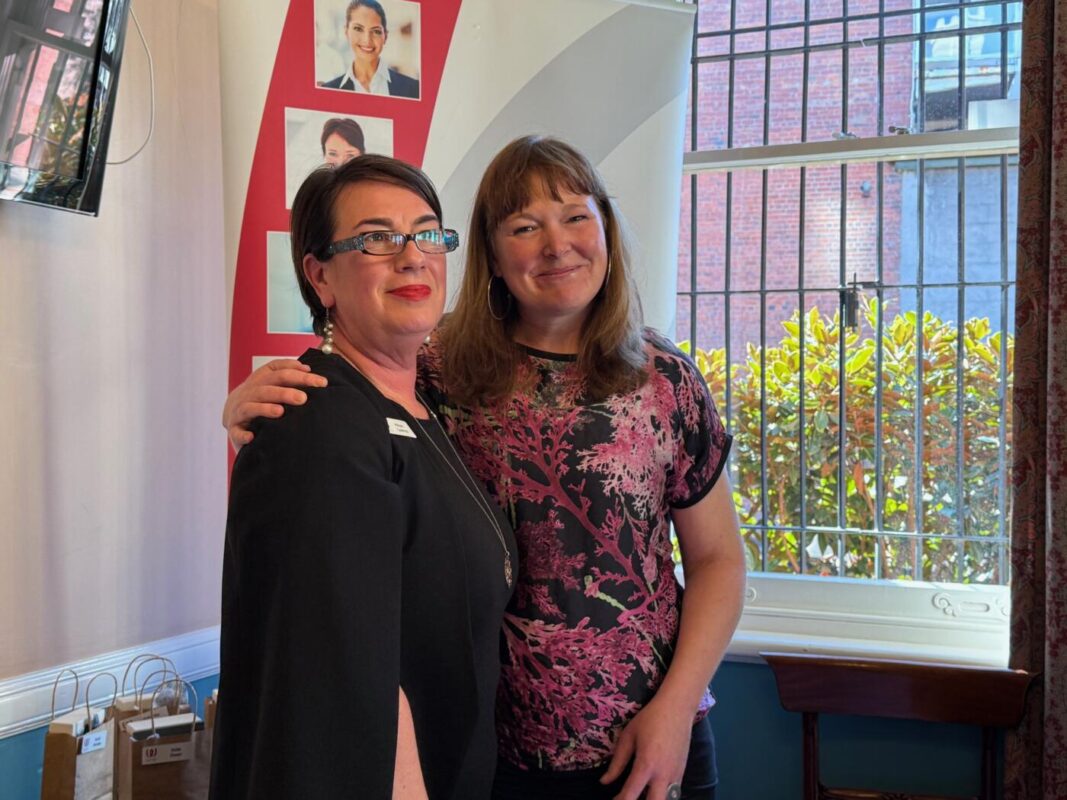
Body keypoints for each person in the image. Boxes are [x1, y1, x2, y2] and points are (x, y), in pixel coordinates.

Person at [224, 136, 746, 800]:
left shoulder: (664, 380)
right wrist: (244, 406)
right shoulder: (436, 364)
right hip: (494, 754)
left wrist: (676, 708)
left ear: (606, 232)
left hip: (652, 742)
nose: (557, 245)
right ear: (491, 255)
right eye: (525, 227)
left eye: (576, 217)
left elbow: (717, 560)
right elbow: (347, 397)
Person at [210, 155, 515, 799]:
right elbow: (342, 680)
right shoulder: (317, 423)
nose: (412, 257)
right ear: (320, 276)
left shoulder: (424, 404)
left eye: (427, 234)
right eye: (377, 238)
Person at [321, 0, 420, 99]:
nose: (367, 40)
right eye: (358, 29)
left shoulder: (413, 89)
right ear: (346, 32)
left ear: (385, 36)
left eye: (376, 31)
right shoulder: (328, 90)